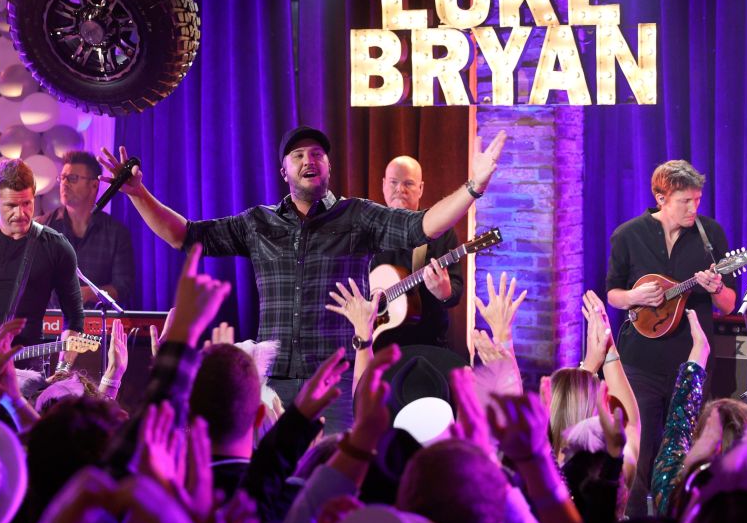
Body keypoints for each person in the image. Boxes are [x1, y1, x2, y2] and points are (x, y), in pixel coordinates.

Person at [101, 125, 506, 433]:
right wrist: (138, 193)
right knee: (273, 482)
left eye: (317, 154)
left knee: (334, 478)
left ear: (329, 167)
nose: (308, 160)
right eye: (298, 155)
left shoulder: (358, 216)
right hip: (272, 379)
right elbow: (185, 236)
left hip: (336, 377)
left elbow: (424, 226)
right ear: (284, 170)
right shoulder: (258, 223)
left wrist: (473, 187)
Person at [605, 159, 737, 517]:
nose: (694, 208)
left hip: (691, 363)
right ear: (661, 198)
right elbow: (613, 294)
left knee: (685, 448)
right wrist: (634, 296)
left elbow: (728, 305)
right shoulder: (628, 235)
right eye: (685, 201)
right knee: (640, 449)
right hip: (641, 362)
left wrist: (716, 287)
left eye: (697, 200)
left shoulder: (710, 235)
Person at [0, 159, 85, 353]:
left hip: (28, 362)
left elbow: (74, 318)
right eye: (11, 205)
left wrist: (63, 367)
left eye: (27, 203)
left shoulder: (56, 246)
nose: (20, 213)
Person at [369, 156, 463, 350]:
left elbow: (455, 293)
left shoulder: (441, 230)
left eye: (408, 183)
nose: (400, 189)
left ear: (420, 188)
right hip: (376, 347)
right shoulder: (368, 230)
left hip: (427, 346)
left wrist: (445, 293)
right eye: (393, 182)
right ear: (384, 185)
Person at [38, 150, 135, 309]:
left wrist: (90, 293)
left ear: (94, 185)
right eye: (62, 178)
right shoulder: (43, 227)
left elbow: (124, 287)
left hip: (97, 321)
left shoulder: (116, 233)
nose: (64, 183)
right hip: (51, 321)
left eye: (72, 178)